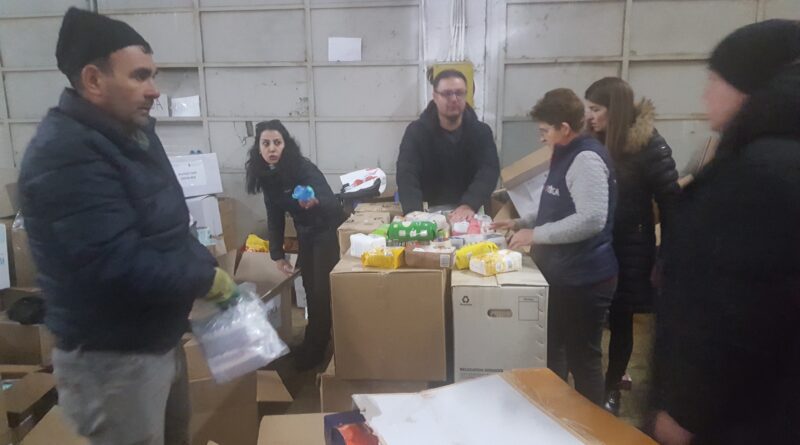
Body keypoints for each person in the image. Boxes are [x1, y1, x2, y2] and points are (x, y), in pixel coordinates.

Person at [17, 8, 238, 445]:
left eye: (152, 76)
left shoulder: (132, 136)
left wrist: (203, 265)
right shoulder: (65, 155)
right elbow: (114, 263)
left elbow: (170, 225)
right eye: (139, 76)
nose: (154, 90)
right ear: (93, 80)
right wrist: (203, 278)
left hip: (157, 337)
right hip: (112, 360)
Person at [651, 19, 800, 445]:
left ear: (748, 84)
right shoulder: (773, 157)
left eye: (714, 79)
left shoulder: (758, 172)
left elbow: (733, 306)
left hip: (741, 419)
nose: (705, 95)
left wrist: (685, 411)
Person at [493, 88, 618, 406]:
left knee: (583, 359)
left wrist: (536, 235)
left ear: (564, 128)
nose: (541, 137)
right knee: (553, 349)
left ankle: (592, 426)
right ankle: (557, 416)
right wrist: (520, 223)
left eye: (544, 130)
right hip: (564, 275)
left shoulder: (585, 159)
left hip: (585, 279)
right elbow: (556, 204)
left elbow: (591, 219)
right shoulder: (565, 152)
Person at [584, 77, 680, 415]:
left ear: (616, 110)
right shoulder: (590, 141)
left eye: (596, 109)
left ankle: (612, 388)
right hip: (593, 244)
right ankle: (589, 384)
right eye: (588, 108)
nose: (590, 116)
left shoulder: (648, 144)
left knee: (621, 318)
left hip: (630, 247)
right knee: (590, 318)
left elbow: (671, 202)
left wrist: (665, 256)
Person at [245, 119, 344, 371]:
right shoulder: (268, 175)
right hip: (306, 234)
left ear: (285, 145)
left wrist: (315, 201)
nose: (271, 148)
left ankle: (316, 350)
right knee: (309, 289)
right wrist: (277, 254)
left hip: (326, 230)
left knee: (320, 293)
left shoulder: (302, 168)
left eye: (277, 142)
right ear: (258, 148)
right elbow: (274, 215)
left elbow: (332, 203)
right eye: (266, 143)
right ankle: (313, 342)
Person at [396, 69, 500, 221]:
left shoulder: (481, 132)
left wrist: (469, 204)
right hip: (428, 214)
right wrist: (413, 213)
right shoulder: (416, 132)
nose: (454, 99)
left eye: (459, 93)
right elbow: (406, 174)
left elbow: (488, 171)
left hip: (471, 213)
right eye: (446, 93)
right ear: (435, 96)